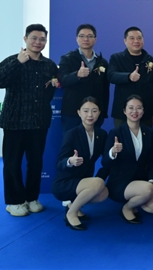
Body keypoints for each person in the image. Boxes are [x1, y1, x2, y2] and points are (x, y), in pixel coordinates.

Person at [0, 24, 59, 217]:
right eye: (34, 38)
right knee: (12, 163)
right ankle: (14, 201)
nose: (38, 42)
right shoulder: (12, 61)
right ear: (25, 39)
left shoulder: (49, 65)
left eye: (42, 39)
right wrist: (17, 63)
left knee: (36, 163)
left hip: (39, 122)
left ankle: (31, 198)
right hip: (14, 121)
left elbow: (49, 92)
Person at [102, 95, 153, 224]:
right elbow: (105, 162)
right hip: (121, 182)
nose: (135, 111)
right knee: (148, 190)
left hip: (142, 181)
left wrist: (152, 180)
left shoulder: (149, 132)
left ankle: (138, 198)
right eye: (131, 108)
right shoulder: (116, 132)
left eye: (139, 108)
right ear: (124, 111)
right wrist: (113, 152)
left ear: (143, 111)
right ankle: (127, 208)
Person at [52, 97, 109, 230]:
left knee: (103, 192)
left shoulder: (101, 134)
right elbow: (59, 163)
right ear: (79, 112)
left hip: (84, 180)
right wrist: (70, 161)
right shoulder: (71, 134)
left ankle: (73, 206)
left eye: (94, 111)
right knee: (98, 183)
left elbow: (106, 159)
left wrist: (113, 152)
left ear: (99, 113)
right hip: (65, 182)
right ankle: (71, 214)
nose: (90, 115)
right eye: (86, 111)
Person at [58, 24, 110, 133]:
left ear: (95, 39)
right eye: (82, 36)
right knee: (71, 142)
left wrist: (103, 113)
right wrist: (77, 75)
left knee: (93, 142)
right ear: (77, 39)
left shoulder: (102, 62)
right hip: (72, 113)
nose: (86, 39)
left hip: (94, 113)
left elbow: (105, 89)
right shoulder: (67, 59)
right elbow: (63, 80)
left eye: (90, 36)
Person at [108, 26, 153, 128]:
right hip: (122, 111)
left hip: (145, 111)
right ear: (125, 41)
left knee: (145, 137)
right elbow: (111, 76)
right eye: (132, 38)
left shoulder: (151, 60)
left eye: (139, 38)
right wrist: (128, 77)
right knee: (121, 137)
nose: (136, 41)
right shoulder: (116, 58)